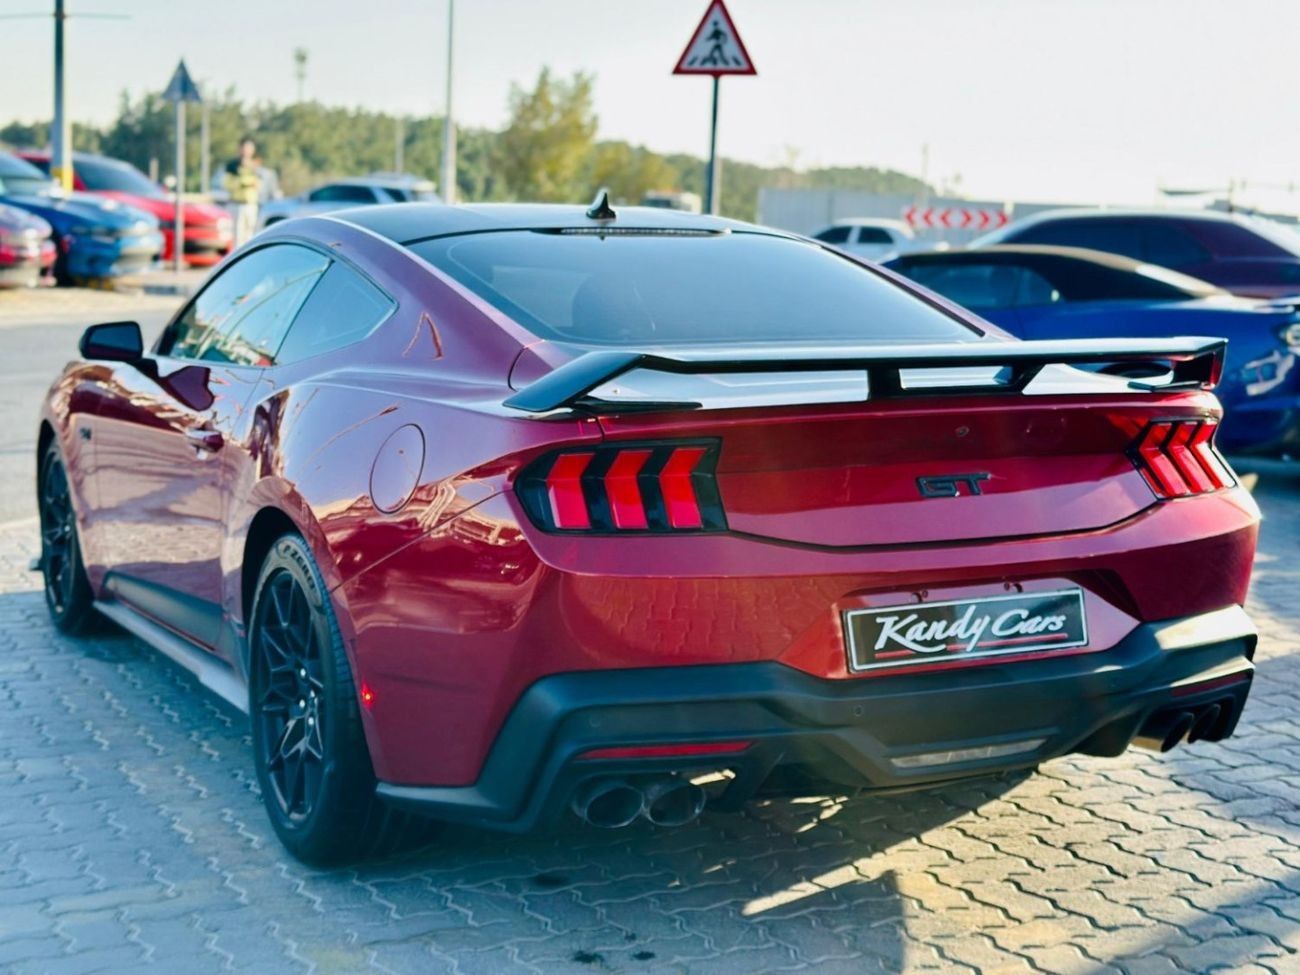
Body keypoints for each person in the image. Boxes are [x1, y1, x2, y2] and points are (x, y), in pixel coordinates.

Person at [223, 137, 263, 248]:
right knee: (237, 237)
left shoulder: (255, 166)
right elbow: (228, 184)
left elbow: (258, 184)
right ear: (240, 148)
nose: (247, 150)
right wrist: (246, 182)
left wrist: (246, 180)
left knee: (250, 237)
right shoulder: (232, 166)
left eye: (250, 148)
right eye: (245, 147)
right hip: (236, 205)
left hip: (251, 205)